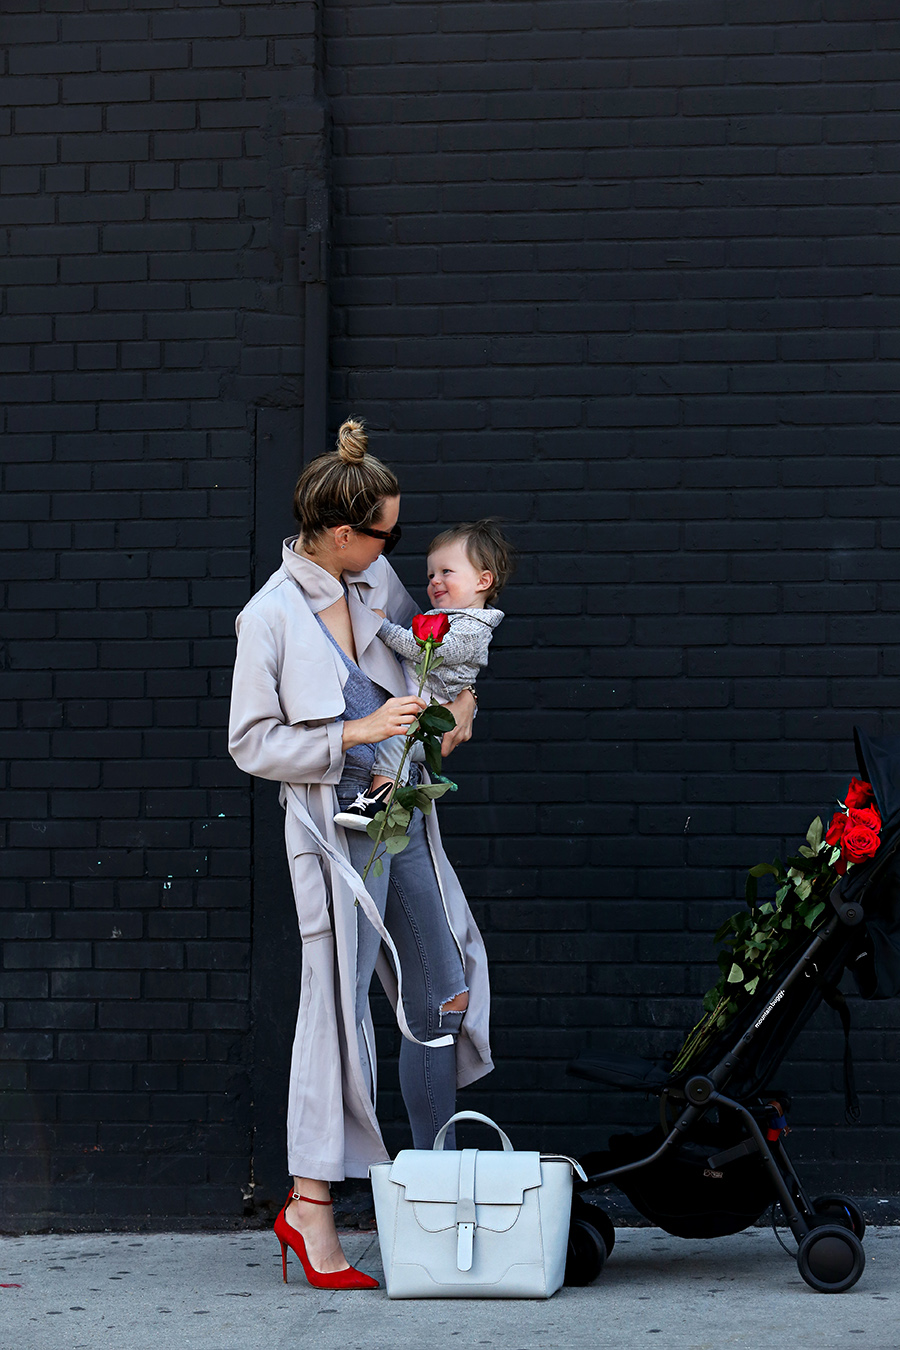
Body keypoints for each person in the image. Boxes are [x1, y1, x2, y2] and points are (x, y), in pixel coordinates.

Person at [227, 419, 493, 1291]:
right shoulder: (267, 617)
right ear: (342, 532)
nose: (396, 551)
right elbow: (251, 743)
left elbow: (424, 663)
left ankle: (434, 1187)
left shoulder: (368, 577)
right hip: (335, 838)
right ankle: (311, 1207)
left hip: (403, 812)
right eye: (387, 533)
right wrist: (353, 733)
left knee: (443, 984)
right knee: (334, 1013)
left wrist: (455, 696)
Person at [334, 519, 514, 831]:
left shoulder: (472, 628)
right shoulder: (445, 616)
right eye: (431, 574)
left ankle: (379, 802)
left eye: (447, 572)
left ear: (483, 580)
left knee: (396, 740)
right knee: (395, 736)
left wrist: (382, 627)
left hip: (430, 723)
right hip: (420, 710)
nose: (434, 581)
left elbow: (426, 650)